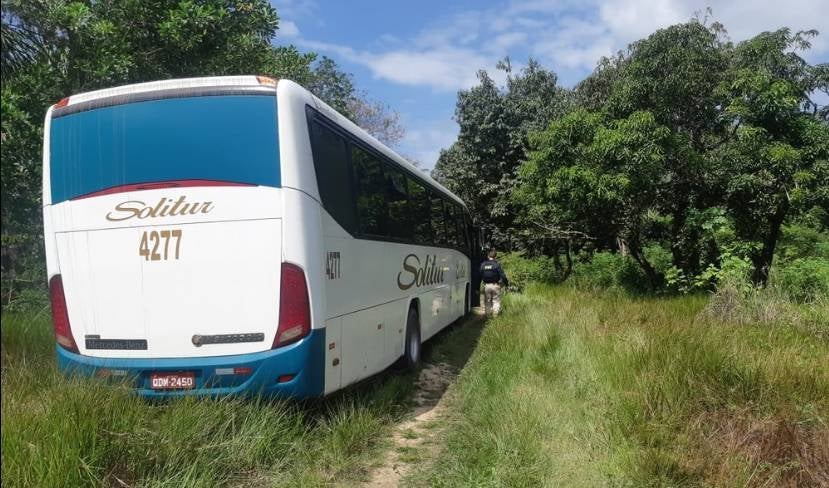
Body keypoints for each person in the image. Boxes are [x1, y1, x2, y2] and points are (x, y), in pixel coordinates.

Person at [480, 249, 509, 316]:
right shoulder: (496, 265)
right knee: (496, 301)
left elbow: (480, 275)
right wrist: (506, 284)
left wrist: (477, 287)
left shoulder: (483, 265)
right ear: (495, 256)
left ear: (488, 256)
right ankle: (495, 316)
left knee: (487, 302)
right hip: (495, 285)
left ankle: (488, 317)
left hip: (486, 286)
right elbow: (503, 275)